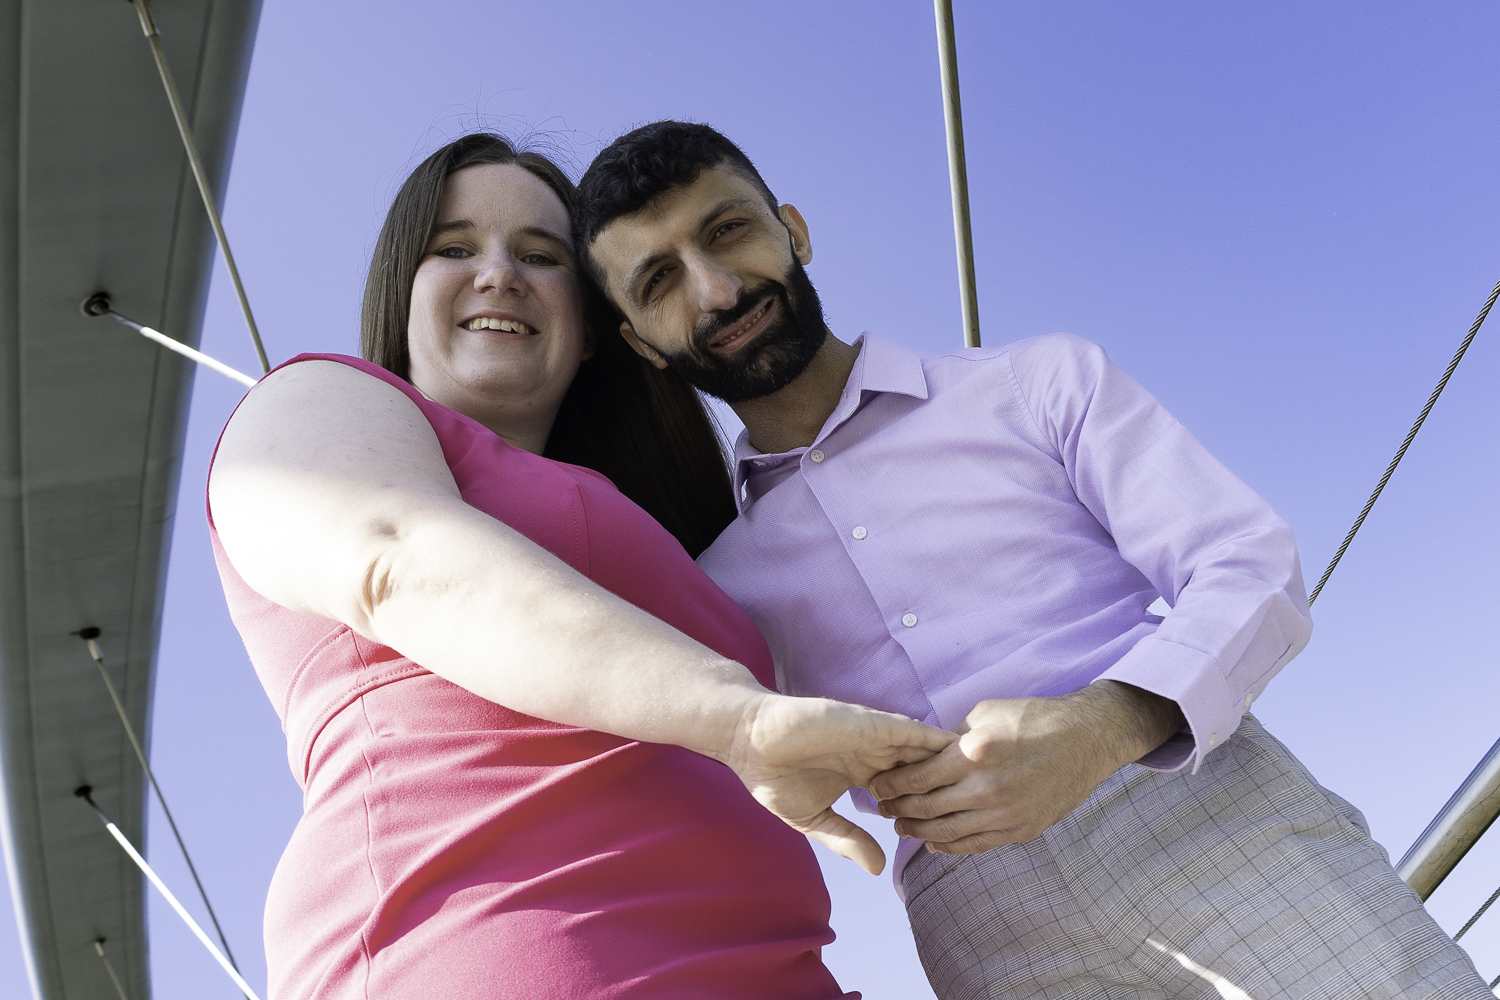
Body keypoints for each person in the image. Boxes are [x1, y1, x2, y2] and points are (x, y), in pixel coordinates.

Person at [572, 120, 1496, 999]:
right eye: (659, 280)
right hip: (976, 924)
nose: (716, 291)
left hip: (1196, 808)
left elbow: (1247, 563)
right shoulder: (712, 586)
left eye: (727, 231)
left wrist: (1107, 726)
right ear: (640, 343)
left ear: (794, 231)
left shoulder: (1035, 382)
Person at [206, 132, 953, 1000]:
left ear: (596, 327)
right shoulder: (312, 398)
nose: (499, 274)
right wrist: (739, 719)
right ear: (402, 291)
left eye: (541, 256)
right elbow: (397, 557)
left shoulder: (662, 532)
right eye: (454, 248)